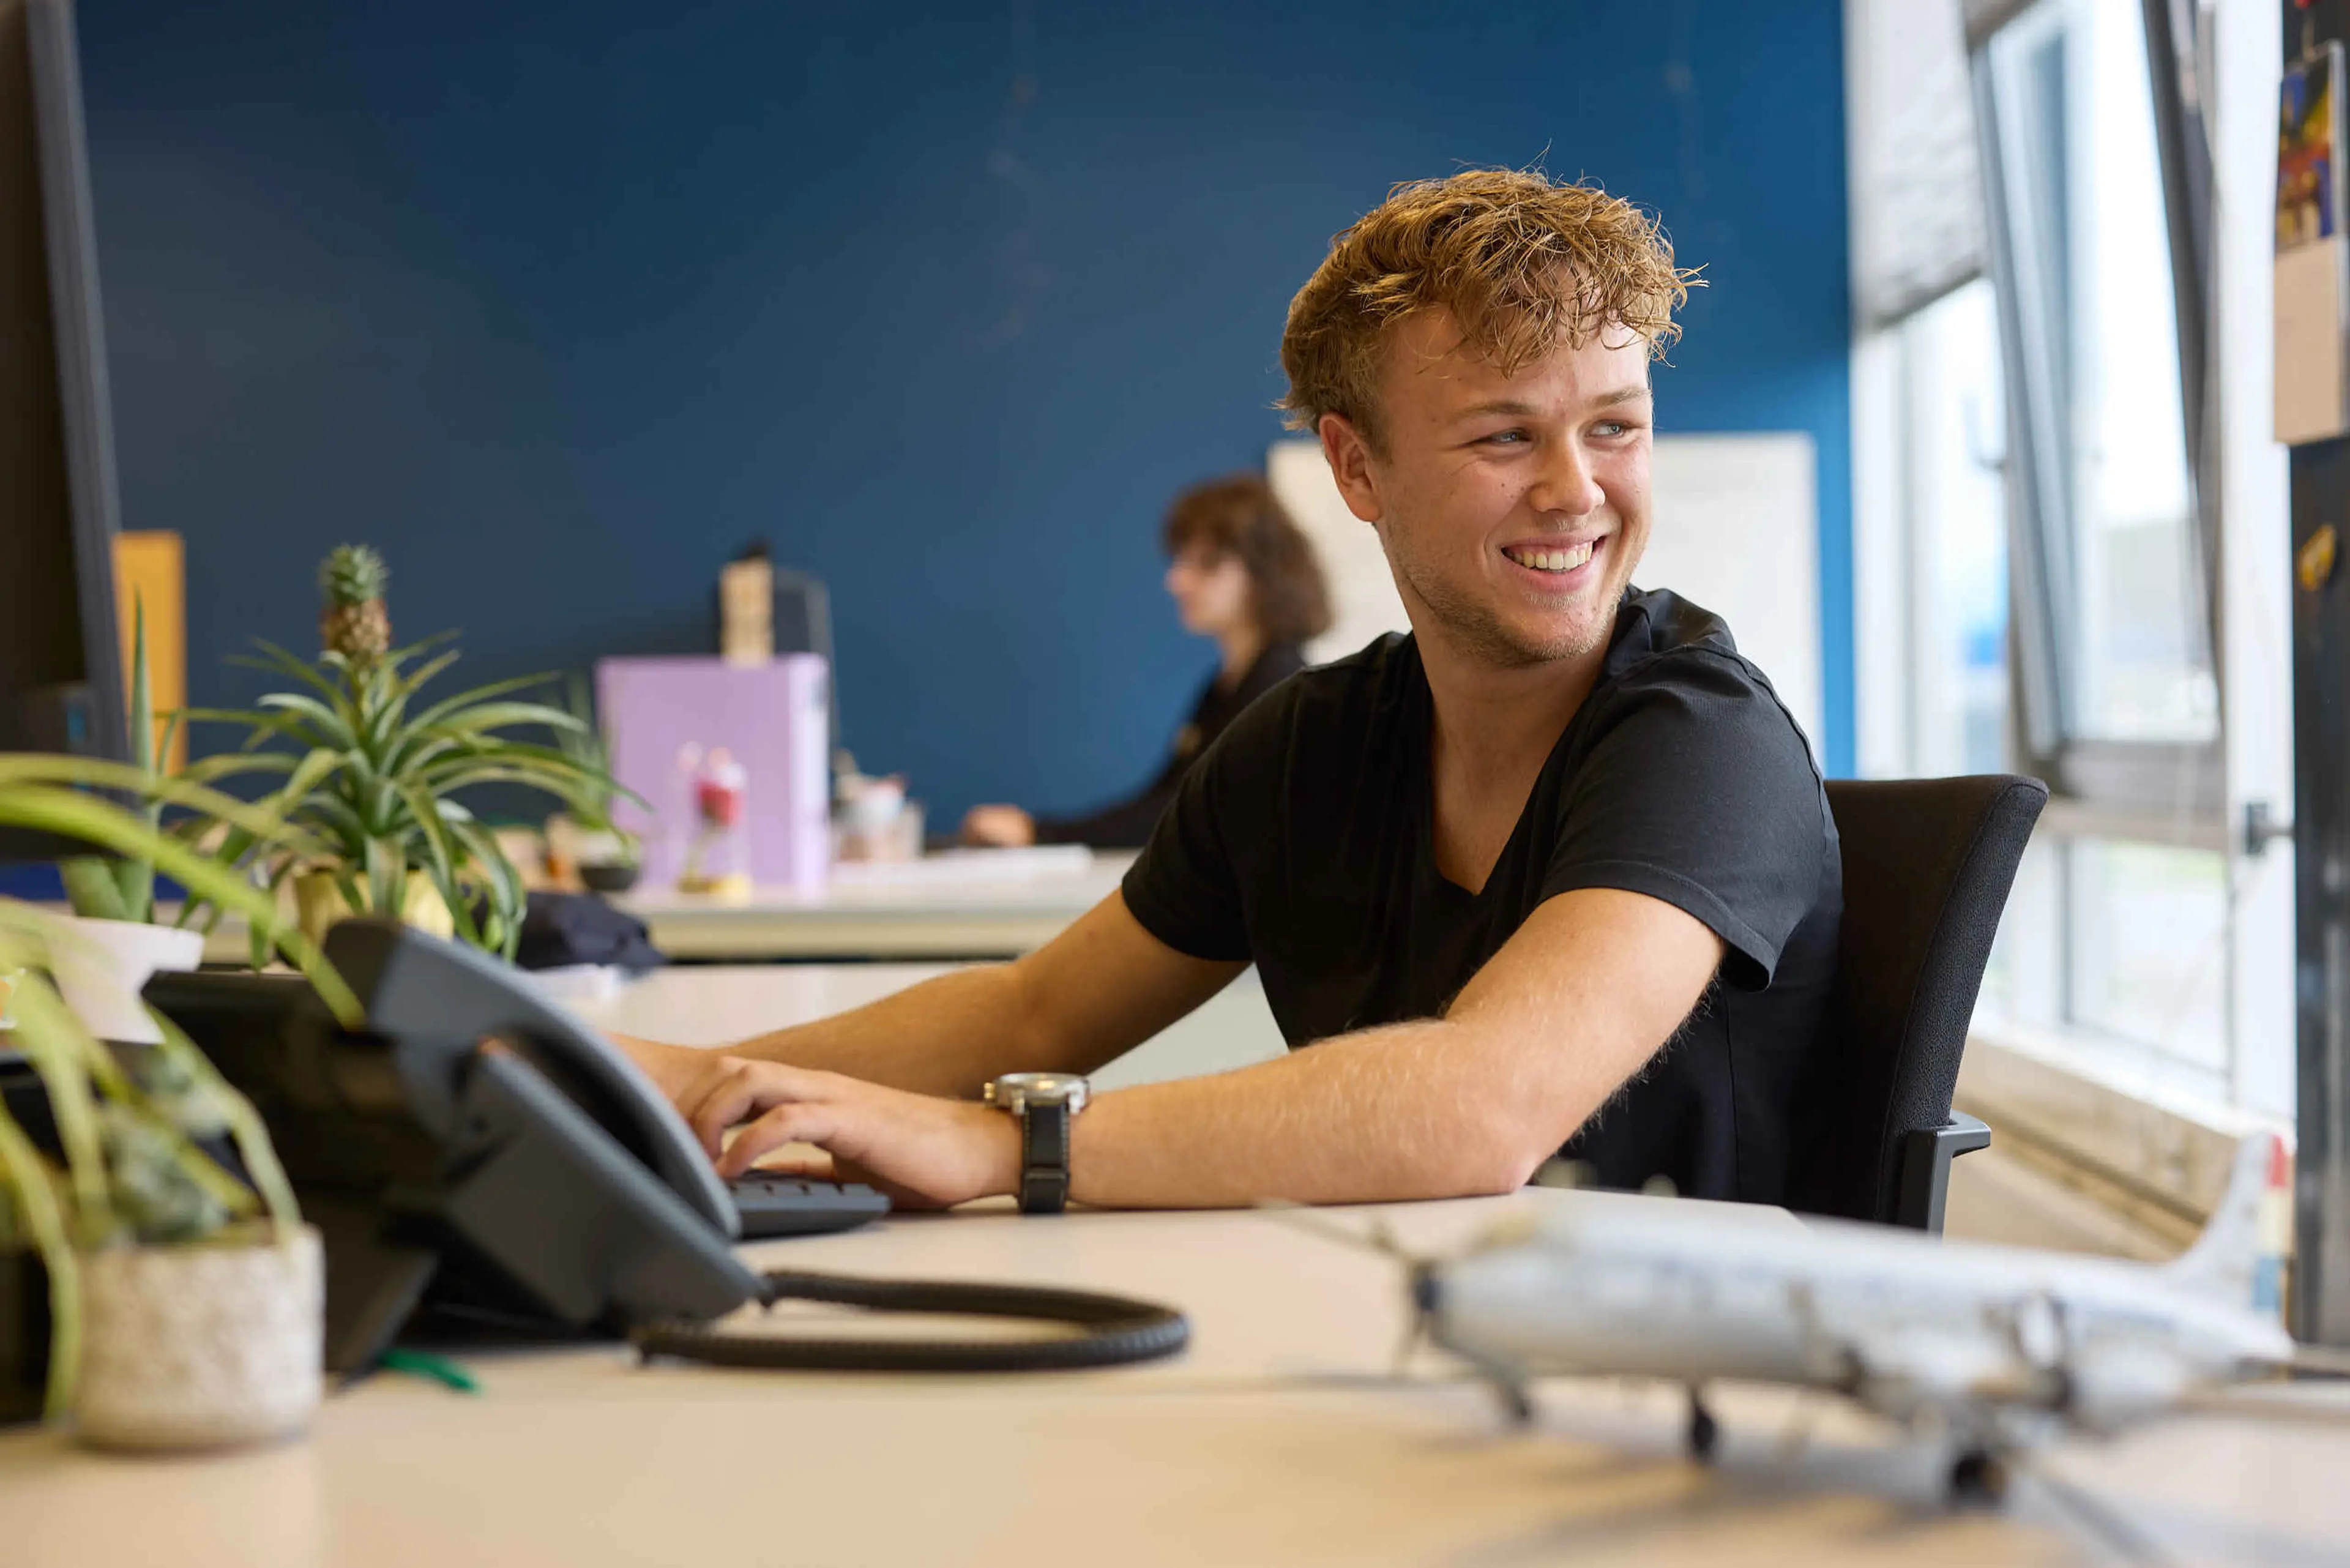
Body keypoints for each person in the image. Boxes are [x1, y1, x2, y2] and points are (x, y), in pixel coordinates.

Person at [615, 168, 1841, 1214]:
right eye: (1504, 437)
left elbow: (1484, 1106)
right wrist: (669, 1084)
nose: (1577, 490)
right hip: (1418, 1340)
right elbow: (1034, 1015)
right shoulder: (1311, 746)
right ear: (1356, 468)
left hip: (1697, 1390)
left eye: (1615, 428)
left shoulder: (1704, 740)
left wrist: (1004, 1147)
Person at [960, 474, 1332, 851]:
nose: (1177, 581)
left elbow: (1187, 815)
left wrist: (1040, 833)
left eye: (1205, 564)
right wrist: (1041, 832)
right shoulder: (1226, 687)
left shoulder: (1278, 687)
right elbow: (1167, 800)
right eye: (1181, 560)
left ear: (1263, 572)